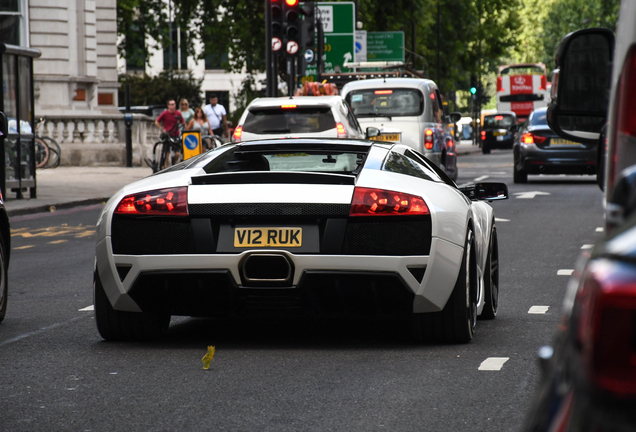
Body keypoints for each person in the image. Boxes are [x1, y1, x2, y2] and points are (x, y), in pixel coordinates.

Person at [154, 99, 184, 168]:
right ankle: (165, 166)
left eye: (174, 104)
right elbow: (157, 122)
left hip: (175, 134)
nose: (173, 106)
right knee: (166, 153)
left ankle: (174, 163)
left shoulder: (178, 113)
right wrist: (162, 129)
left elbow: (182, 122)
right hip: (168, 135)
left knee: (177, 153)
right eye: (172, 104)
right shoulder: (165, 113)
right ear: (168, 106)